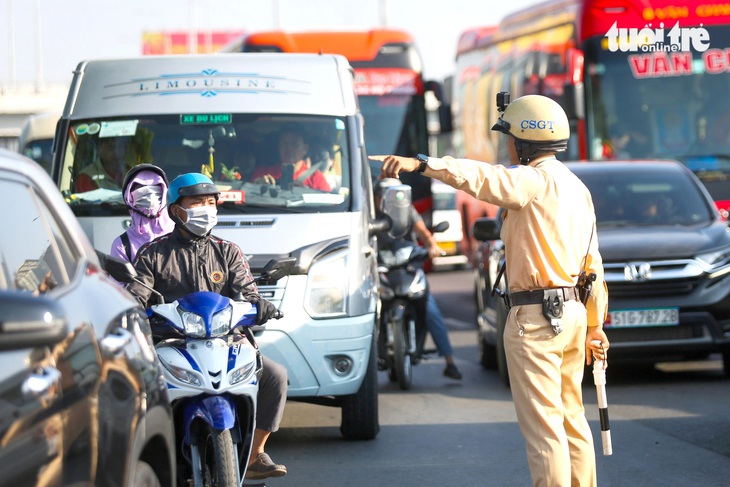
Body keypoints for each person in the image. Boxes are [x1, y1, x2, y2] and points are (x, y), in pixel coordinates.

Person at [372, 93, 610, 487]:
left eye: (510, 138)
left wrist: (423, 163)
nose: (507, 147)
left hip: (535, 321)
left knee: (545, 431)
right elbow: (593, 264)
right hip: (572, 317)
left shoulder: (532, 181)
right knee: (572, 420)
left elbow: (479, 177)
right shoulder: (577, 188)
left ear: (526, 140)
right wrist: (595, 324)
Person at [126, 173, 288, 480]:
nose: (206, 208)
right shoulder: (153, 253)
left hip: (226, 344)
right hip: (172, 346)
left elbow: (248, 290)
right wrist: (134, 310)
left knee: (275, 376)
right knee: (133, 387)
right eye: (197, 202)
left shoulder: (228, 251)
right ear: (176, 210)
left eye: (211, 202)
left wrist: (259, 304)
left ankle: (254, 454)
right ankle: (143, 460)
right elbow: (136, 295)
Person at [374, 178, 462, 380]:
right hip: (383, 270)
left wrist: (432, 245)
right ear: (378, 197)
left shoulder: (407, 211)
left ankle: (449, 361)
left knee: (431, 310)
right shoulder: (371, 215)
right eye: (385, 196)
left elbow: (423, 231)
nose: (390, 201)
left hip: (409, 267)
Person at [110, 164, 174, 263]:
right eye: (140, 187)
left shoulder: (182, 234)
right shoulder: (122, 245)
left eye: (154, 186)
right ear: (128, 197)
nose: (149, 192)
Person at [251, 127, 332, 192]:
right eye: (284, 144)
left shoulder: (316, 178)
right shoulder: (262, 173)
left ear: (305, 149)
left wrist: (308, 193)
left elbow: (330, 206)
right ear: (279, 147)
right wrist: (257, 187)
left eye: (294, 144)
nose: (289, 148)